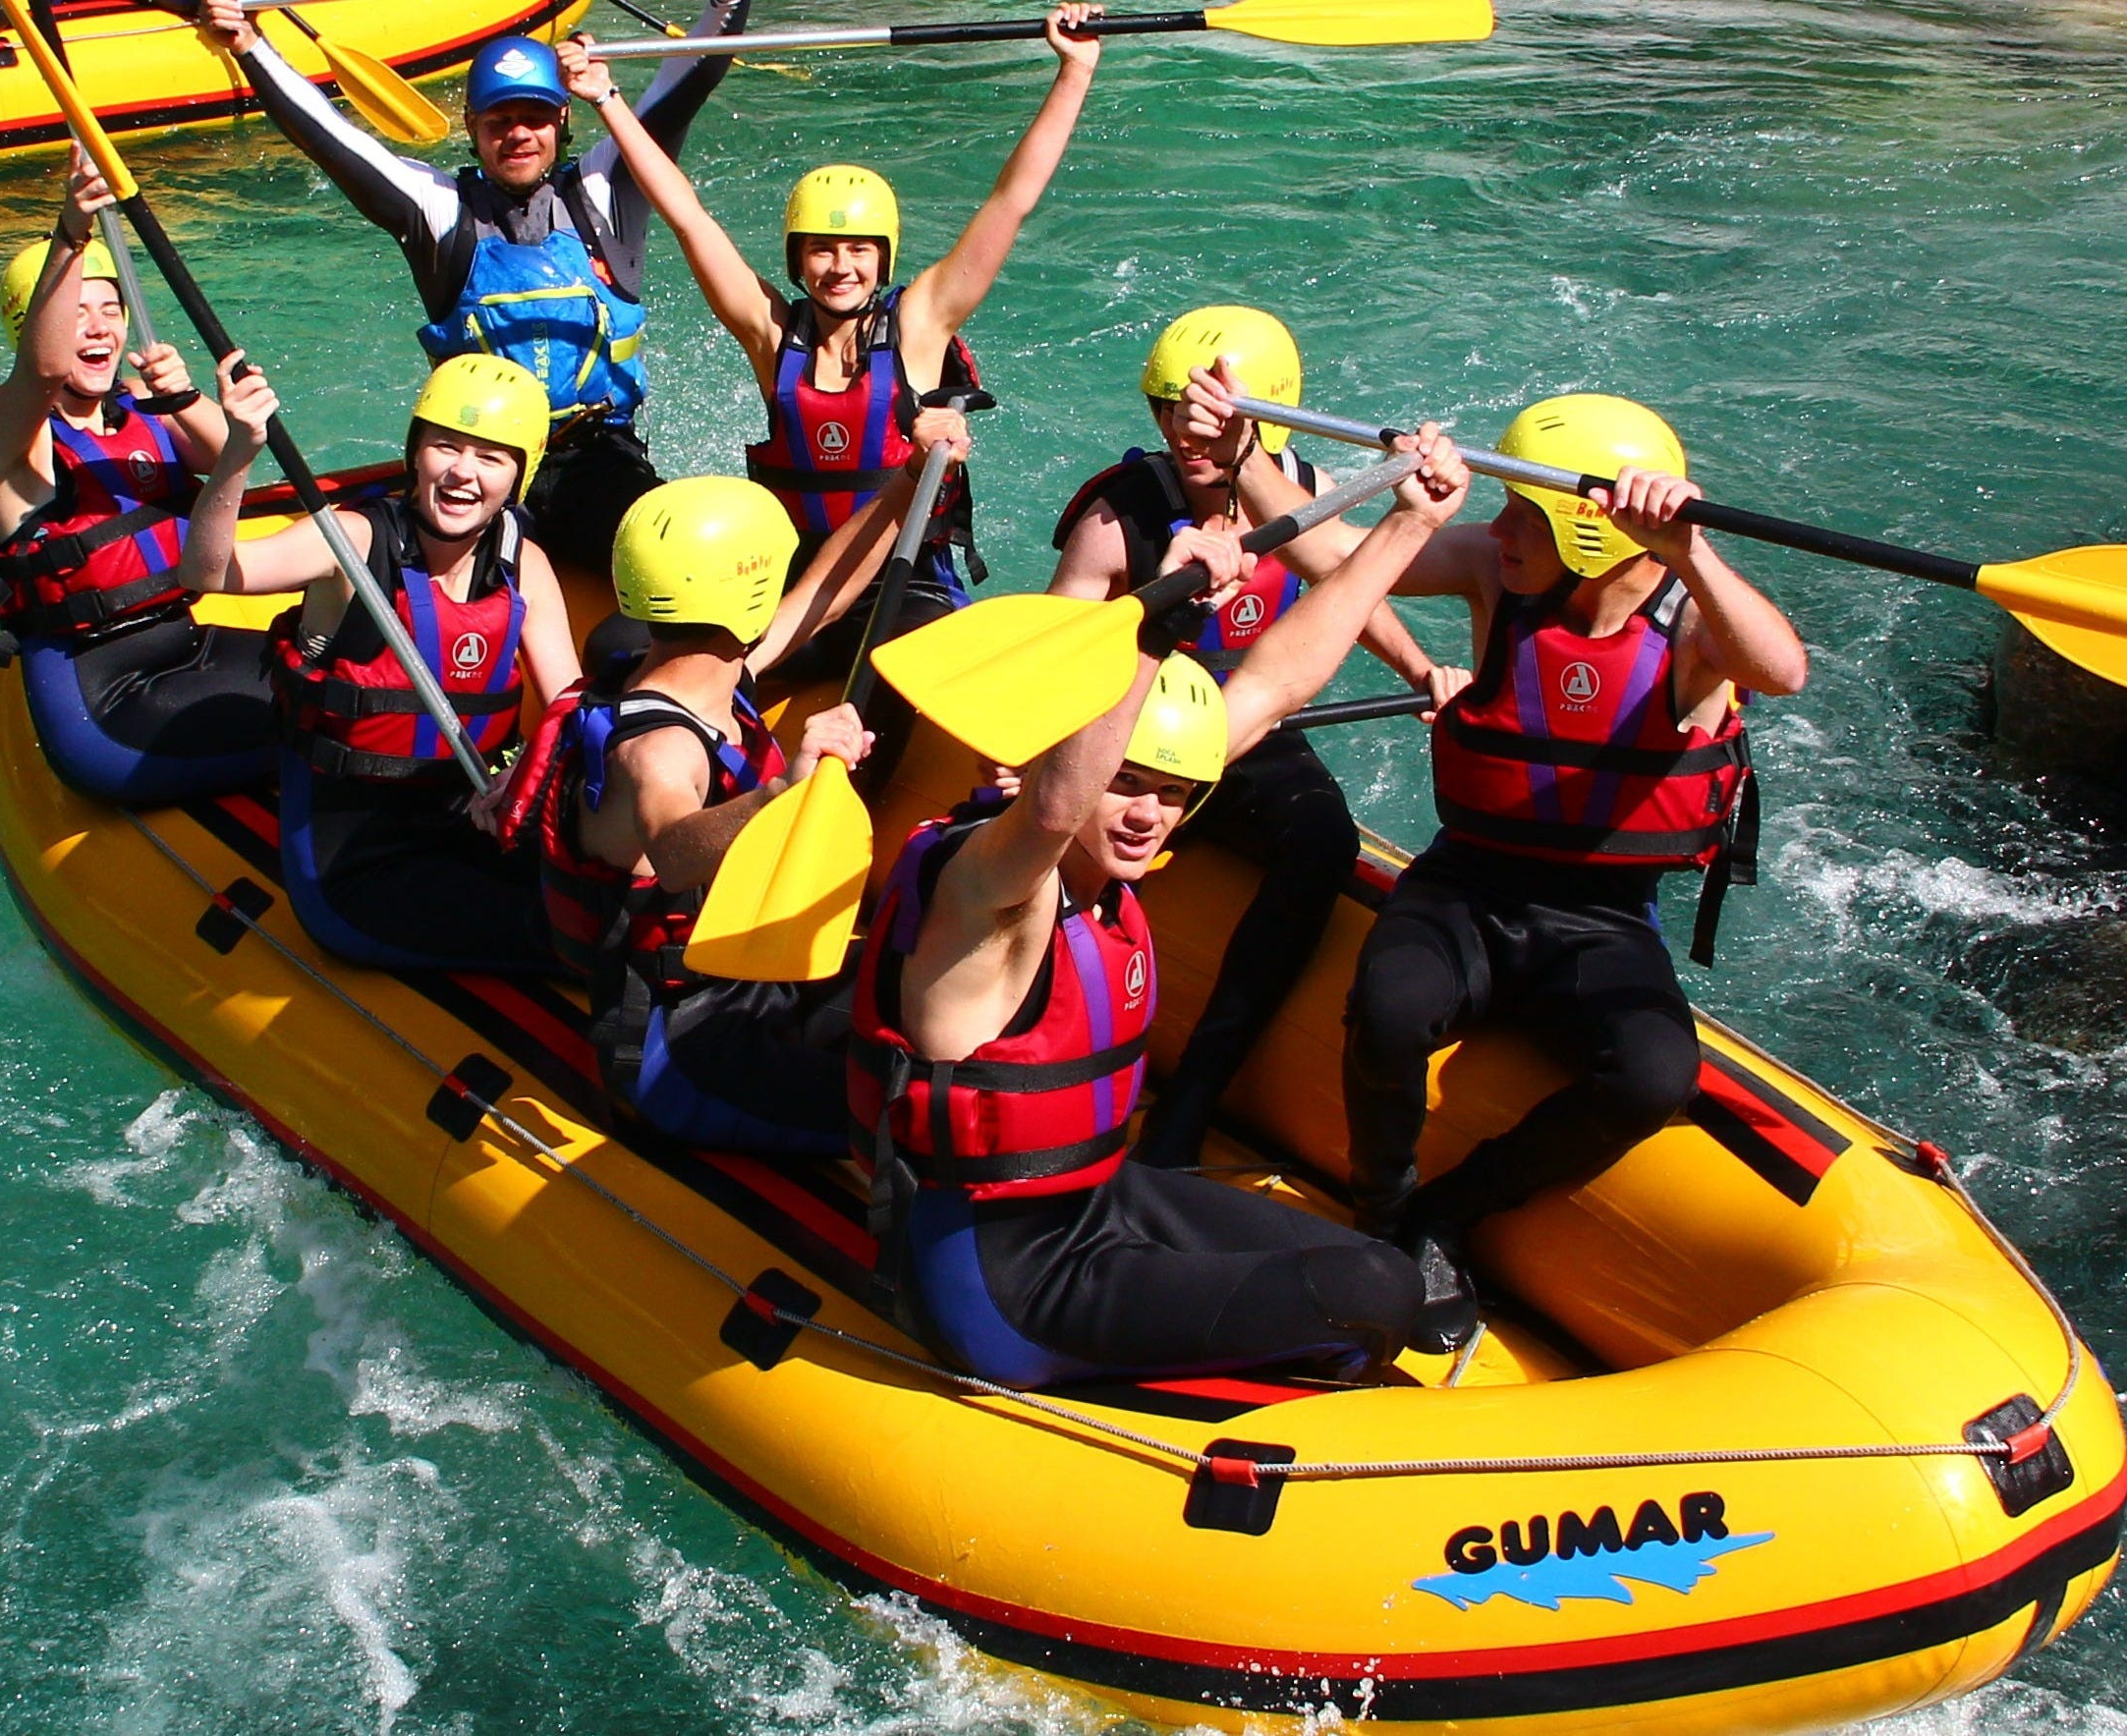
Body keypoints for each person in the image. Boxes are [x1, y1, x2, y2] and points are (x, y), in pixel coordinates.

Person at [847, 430, 1471, 1390]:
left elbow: (1278, 678)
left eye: (1174, 791)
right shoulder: (996, 885)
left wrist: (1408, 522)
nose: (1149, 814)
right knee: (1367, 1298)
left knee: (1386, 1277)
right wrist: (1156, 625)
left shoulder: (1115, 858)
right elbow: (1058, 801)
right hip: (1003, 1281)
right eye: (1128, 783)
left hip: (1098, 1201)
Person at [1334, 393, 1804, 1322]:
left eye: (1525, 512)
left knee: (1653, 1078)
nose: (1500, 524)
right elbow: (1338, 559)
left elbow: (1781, 669)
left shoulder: (1692, 625)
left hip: (1602, 916)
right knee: (1388, 1011)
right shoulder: (1492, 570)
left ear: (1589, 532)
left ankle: (1447, 1211)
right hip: (1466, 882)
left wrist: (1690, 550)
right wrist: (1264, 456)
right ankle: (1383, 1214)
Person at [1047, 316, 1460, 1172]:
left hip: (1243, 730)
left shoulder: (1306, 490)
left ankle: (1194, 1096)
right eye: (1170, 411)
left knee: (1321, 839)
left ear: (1267, 421)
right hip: (1127, 736)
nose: (1183, 433)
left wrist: (1423, 668)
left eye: (1205, 416)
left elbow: (1345, 584)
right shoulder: (1114, 518)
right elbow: (1060, 665)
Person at [597, 3, 1102, 668]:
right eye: (823, 251)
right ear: (797, 259)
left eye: (859, 250)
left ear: (884, 257)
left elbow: (1011, 200)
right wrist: (605, 98)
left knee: (894, 665)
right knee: (619, 647)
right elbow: (687, 216)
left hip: (904, 570)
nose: (841, 268)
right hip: (797, 574)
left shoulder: (921, 323)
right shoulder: (770, 332)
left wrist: (1075, 72)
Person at [197, 1, 752, 579]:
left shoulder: (605, 191)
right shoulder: (439, 212)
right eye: (498, 121)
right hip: (472, 468)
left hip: (593, 461)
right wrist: (249, 47)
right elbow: (331, 139)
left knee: (670, 552)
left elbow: (693, 76)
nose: (517, 134)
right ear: (472, 127)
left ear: (562, 120)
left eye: (533, 118)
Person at [516, 467, 934, 1152]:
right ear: (747, 597)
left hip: (753, 986)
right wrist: (784, 791)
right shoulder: (656, 750)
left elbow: (823, 595)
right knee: (915, 1121)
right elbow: (676, 849)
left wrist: (908, 484)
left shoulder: (717, 669)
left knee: (913, 991)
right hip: (681, 1045)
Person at [206, 354, 588, 975]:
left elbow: (570, 713)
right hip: (355, 852)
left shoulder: (525, 565)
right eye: (446, 447)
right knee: (566, 939)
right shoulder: (353, 541)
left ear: (519, 476)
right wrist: (239, 454)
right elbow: (209, 571)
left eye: (490, 457)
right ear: (415, 453)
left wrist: (521, 783)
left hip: (467, 818)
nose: (463, 472)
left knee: (597, 903)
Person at [0, 161, 282, 803]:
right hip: (105, 699)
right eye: (78, 311)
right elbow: (43, 368)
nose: (99, 327)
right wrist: (73, 228)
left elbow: (228, 456)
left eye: (111, 309)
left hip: (189, 644)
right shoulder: (10, 436)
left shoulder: (137, 401)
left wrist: (185, 396)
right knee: (322, 722)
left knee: (341, 667)